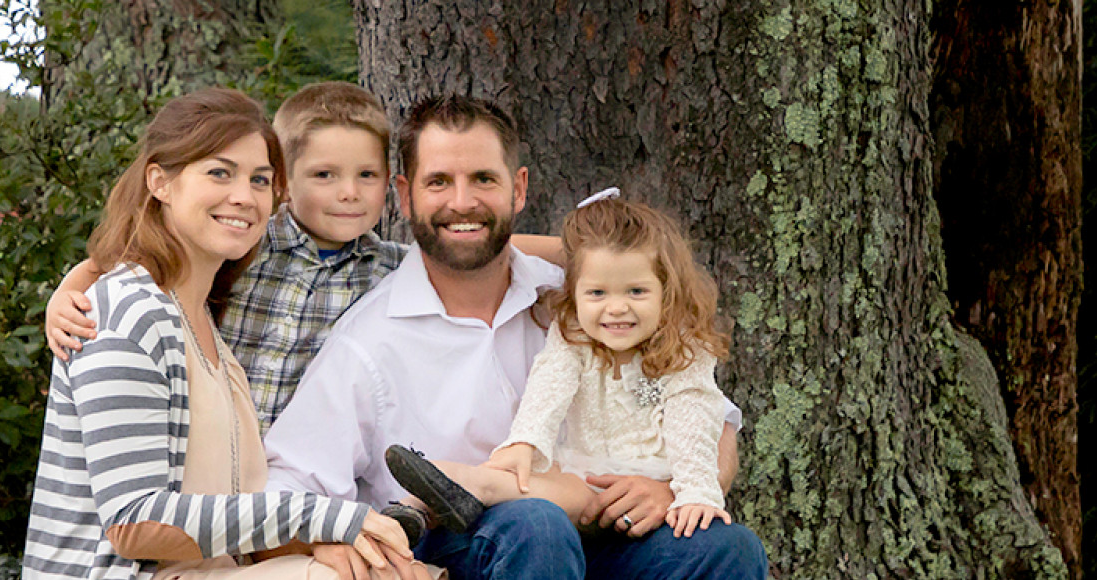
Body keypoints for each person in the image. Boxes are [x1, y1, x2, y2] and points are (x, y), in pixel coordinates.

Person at [262, 95, 769, 579]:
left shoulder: (583, 301)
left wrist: (673, 489)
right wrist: (326, 543)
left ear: (518, 188)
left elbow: (714, 417)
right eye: (439, 182)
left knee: (728, 547)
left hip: (603, 538)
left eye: (483, 179)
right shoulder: (369, 342)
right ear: (404, 196)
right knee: (535, 526)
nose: (462, 202)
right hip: (460, 551)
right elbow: (288, 488)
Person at [22, 88, 413, 580]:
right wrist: (326, 518)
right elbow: (133, 521)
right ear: (160, 182)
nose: (243, 196)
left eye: (259, 180)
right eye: (219, 173)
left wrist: (325, 541)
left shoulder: (205, 318)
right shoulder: (126, 313)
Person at [45, 82, 561, 433]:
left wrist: (577, 249)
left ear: (389, 185)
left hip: (299, 470)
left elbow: (480, 243)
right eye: (324, 175)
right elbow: (133, 260)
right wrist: (68, 292)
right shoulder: (246, 241)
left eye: (366, 176)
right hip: (214, 453)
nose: (348, 193)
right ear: (285, 182)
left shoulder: (388, 266)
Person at [383, 193, 733, 544]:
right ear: (574, 295)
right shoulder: (575, 337)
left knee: (567, 494)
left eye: (636, 291)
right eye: (597, 293)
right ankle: (416, 508)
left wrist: (695, 491)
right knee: (534, 476)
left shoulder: (685, 352)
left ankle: (470, 485)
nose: (616, 308)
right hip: (583, 471)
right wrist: (524, 442)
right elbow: (548, 388)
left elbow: (693, 422)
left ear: (667, 294)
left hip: (646, 483)